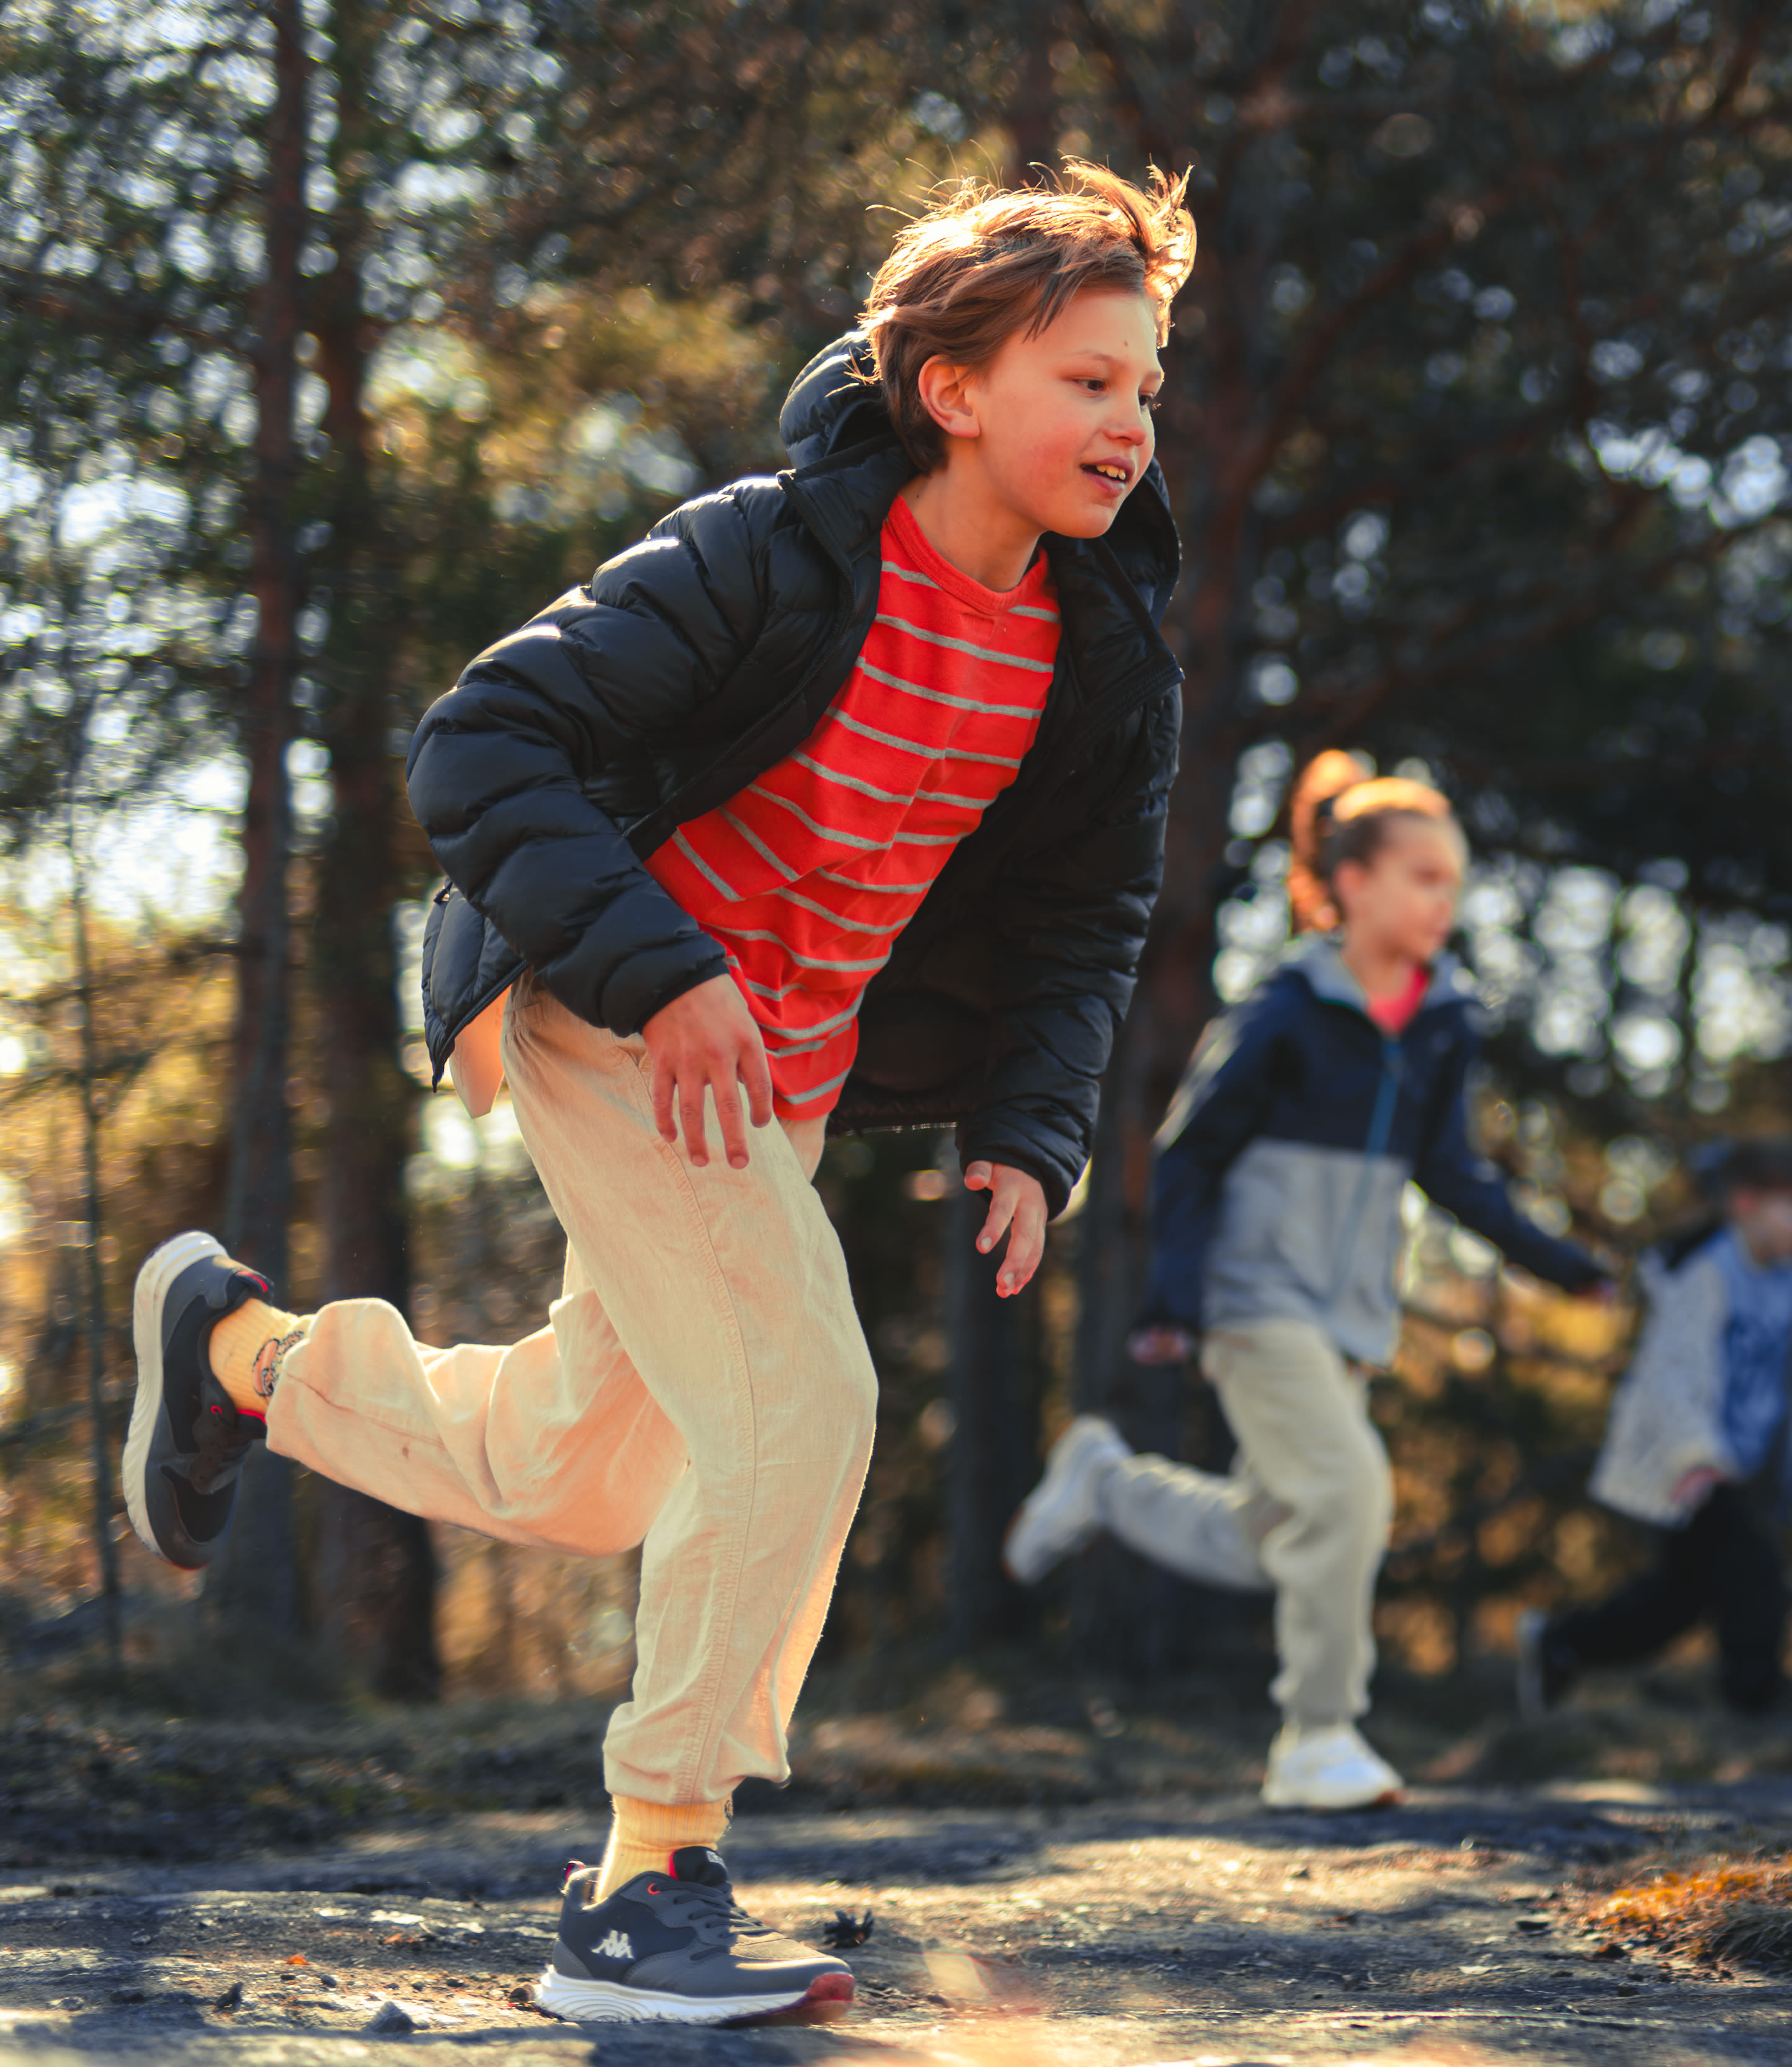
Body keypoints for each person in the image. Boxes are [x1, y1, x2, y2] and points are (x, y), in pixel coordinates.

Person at [119, 163, 1195, 2028]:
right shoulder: (770, 552)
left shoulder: (1097, 655)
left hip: (780, 1081)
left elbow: (1086, 915)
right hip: (623, 1026)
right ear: (952, 389)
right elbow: (483, 743)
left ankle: (242, 1355)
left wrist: (1034, 1127)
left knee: (579, 1466)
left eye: (1147, 386)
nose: (1130, 422)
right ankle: (645, 1887)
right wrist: (665, 968)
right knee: (801, 1398)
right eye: (1088, 381)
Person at [1001, 754, 1611, 1810]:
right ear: (1353, 882)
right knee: (1349, 1491)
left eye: (1453, 882)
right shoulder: (1283, 1015)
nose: (1442, 901)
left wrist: (1559, 1261)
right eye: (1422, 875)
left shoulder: (1440, 1025)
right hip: (1255, 1298)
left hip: (1350, 1317)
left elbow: (1453, 1171)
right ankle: (1316, 1736)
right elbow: (1188, 1159)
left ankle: (1106, 1480)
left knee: (1274, 1536)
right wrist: (1176, 1301)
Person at [1517, 1138, 1792, 1718]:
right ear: (1744, 1204)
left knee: (1678, 1600)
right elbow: (1672, 1375)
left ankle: (1563, 1642)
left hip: (1750, 1465)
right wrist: (1697, 1456)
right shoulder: (1702, 1274)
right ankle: (1758, 1706)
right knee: (1757, 1572)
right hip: (1697, 1464)